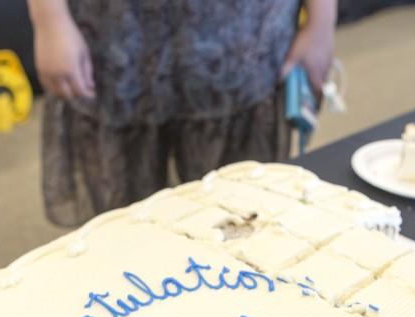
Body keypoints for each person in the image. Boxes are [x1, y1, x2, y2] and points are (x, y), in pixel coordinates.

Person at [28, 0, 338, 227]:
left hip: (242, 38)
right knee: (125, 229)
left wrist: (322, 21)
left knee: (240, 214)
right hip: (114, 39)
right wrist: (49, 17)